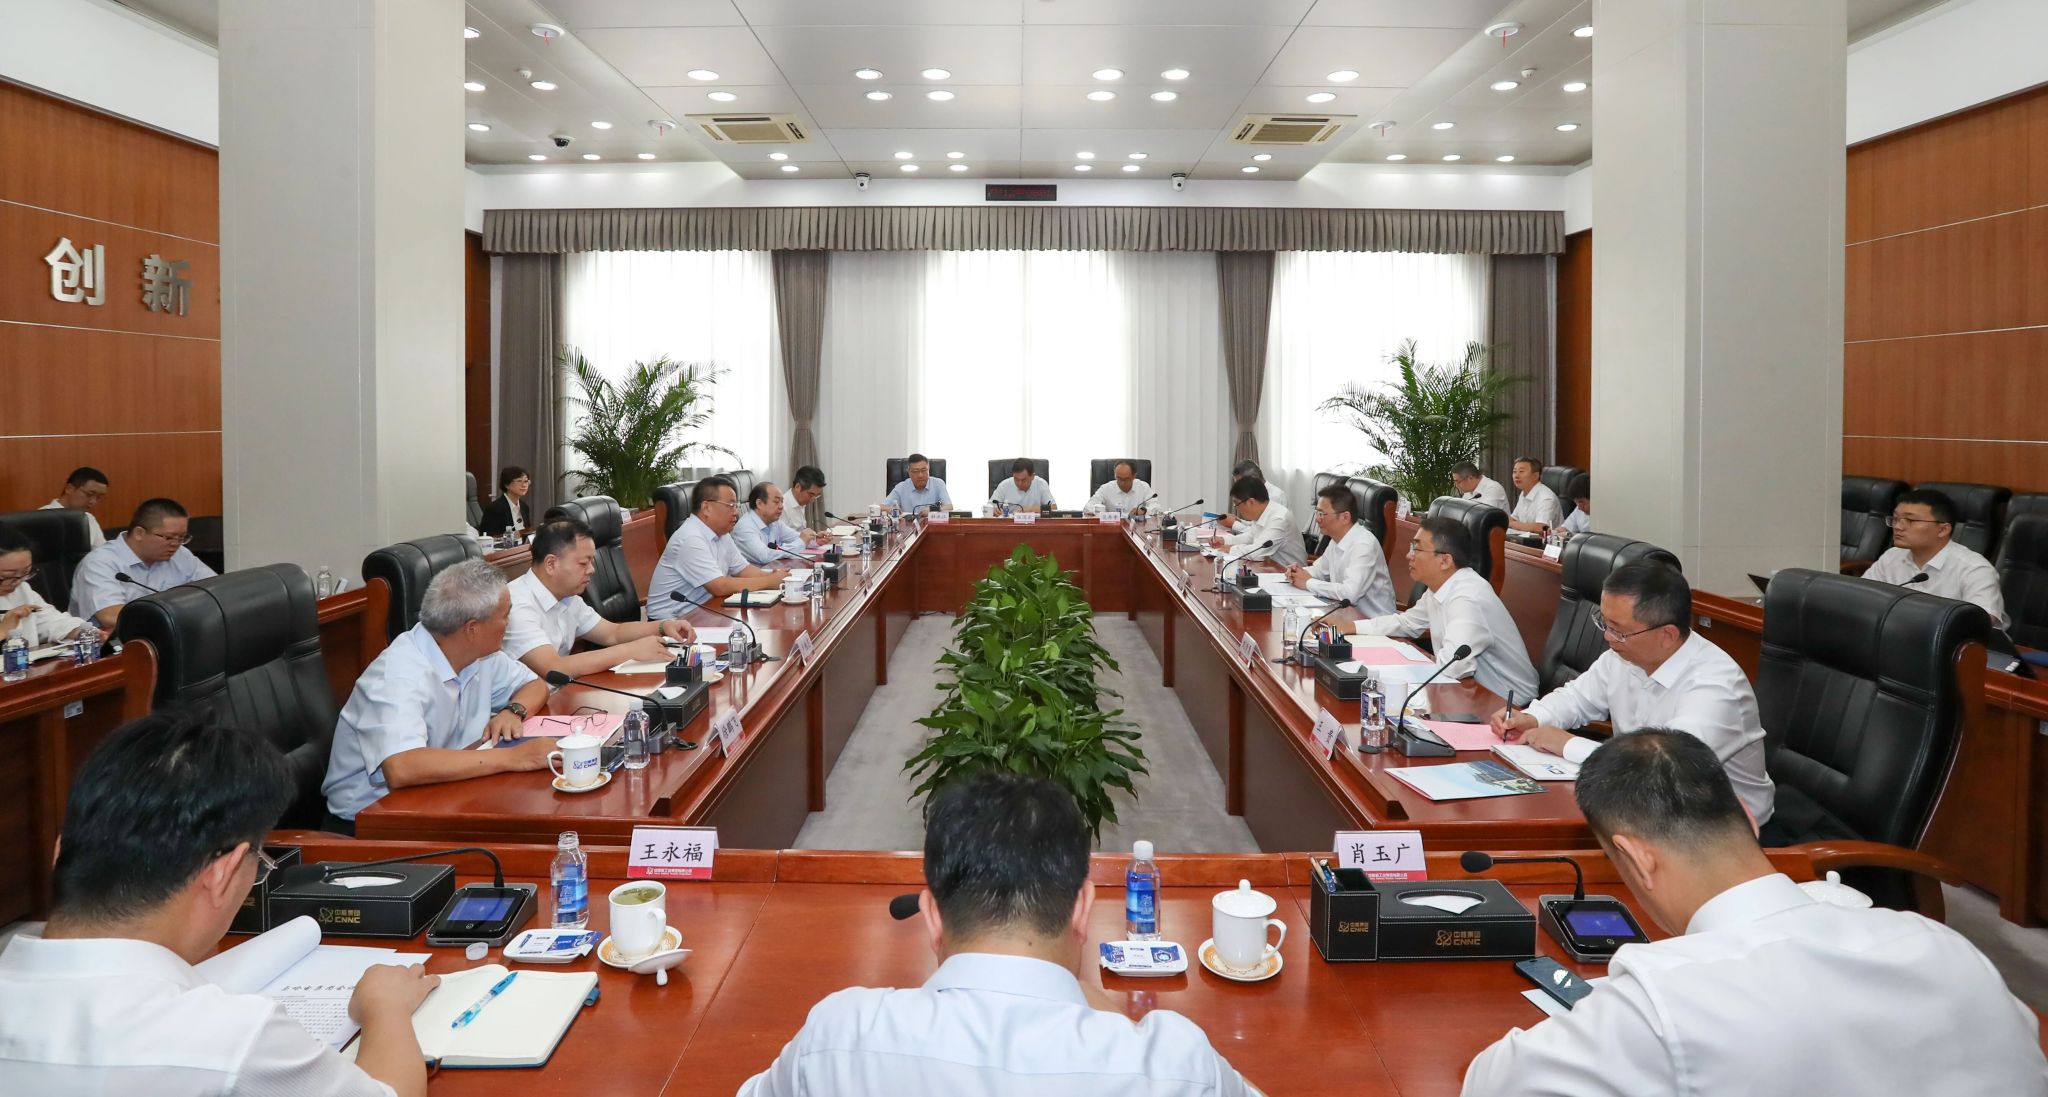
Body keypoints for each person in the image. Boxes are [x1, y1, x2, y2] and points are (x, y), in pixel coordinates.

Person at [1461, 730, 2048, 1097]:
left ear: (1636, 859)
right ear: (1747, 816)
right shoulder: (1946, 947)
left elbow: (1489, 1084)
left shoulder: (1658, 1003)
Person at [738, 772, 1260, 1096]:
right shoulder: (1173, 1068)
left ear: (932, 915)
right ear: (1082, 909)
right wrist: (1111, 1014)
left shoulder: (837, 1039)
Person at [0, 711, 439, 1096]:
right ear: (222, 873)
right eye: (258, 863)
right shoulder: (231, 1037)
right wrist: (384, 1007)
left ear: (60, 852)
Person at [1489, 562, 1775, 827]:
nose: (1607, 637)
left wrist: (1568, 744)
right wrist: (1533, 718)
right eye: (1604, 623)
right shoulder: (1625, 655)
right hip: (1643, 805)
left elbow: (1662, 769)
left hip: (1722, 828)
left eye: (1619, 630)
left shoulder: (1715, 687)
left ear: (1667, 635)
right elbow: (1578, 697)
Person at [322, 560, 553, 832]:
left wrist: (513, 710)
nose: (508, 622)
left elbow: (535, 685)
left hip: (444, 795)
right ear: (473, 628)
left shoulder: (480, 655)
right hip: (370, 823)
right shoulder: (398, 674)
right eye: (505, 615)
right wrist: (514, 758)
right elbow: (402, 767)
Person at [1354, 517, 1537, 701]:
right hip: (1469, 691)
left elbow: (1454, 667)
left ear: (1445, 561)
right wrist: (1353, 627)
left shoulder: (1467, 597)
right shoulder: (1440, 587)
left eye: (1416, 549)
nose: (1409, 555)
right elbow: (1406, 623)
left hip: (1508, 702)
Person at [504, 518, 694, 680]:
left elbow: (612, 633)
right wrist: (631, 651)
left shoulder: (568, 597)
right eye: (583, 563)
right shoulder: (515, 605)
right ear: (551, 564)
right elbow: (554, 667)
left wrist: (662, 626)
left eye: (592, 561)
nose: (591, 570)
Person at [1862, 487, 2007, 628]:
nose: (1898, 526)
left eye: (1910, 520)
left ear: (1943, 530)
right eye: (1896, 518)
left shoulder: (1975, 569)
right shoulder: (1891, 556)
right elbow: (1862, 596)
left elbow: (1981, 623)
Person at [68, 497, 216, 629]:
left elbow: (215, 589)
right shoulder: (100, 563)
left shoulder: (180, 555)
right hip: (110, 646)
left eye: (182, 538)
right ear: (139, 533)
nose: (175, 544)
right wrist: (177, 615)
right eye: (169, 537)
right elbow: (110, 617)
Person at [646, 476, 782, 619]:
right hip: (670, 621)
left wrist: (778, 578)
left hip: (705, 610)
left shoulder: (722, 533)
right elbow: (719, 586)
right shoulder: (690, 538)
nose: (736, 512)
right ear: (706, 508)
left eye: (736, 505)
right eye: (731, 505)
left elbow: (742, 569)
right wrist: (769, 582)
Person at [1283, 484, 1394, 617]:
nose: (1317, 519)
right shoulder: (1336, 540)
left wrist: (1307, 582)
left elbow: (1350, 594)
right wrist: (1297, 573)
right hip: (1345, 616)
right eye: (1317, 512)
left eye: (1322, 514)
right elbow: (1319, 571)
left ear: (1345, 517)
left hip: (1373, 622)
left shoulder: (1364, 545)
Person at [0, 526, 89, 648]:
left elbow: (50, 621)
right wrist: (3, 631)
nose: (17, 582)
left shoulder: (22, 590)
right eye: (7, 576)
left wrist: (80, 632)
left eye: (26, 572)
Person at [1209, 476, 1306, 567]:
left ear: (1251, 502)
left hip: (1287, 572)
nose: (1236, 508)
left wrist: (1230, 549)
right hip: (1269, 568)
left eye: (1236, 504)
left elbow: (1257, 553)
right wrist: (1224, 540)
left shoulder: (1279, 518)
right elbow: (1250, 537)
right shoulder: (1263, 512)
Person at [734, 482, 809, 566]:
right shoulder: (745, 528)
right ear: (759, 504)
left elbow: (797, 537)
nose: (781, 506)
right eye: (776, 502)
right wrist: (802, 542)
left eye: (782, 502)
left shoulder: (774, 522)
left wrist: (815, 540)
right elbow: (764, 556)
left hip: (773, 570)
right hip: (755, 573)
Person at [40, 466, 109, 547]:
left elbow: (102, 550)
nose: (93, 501)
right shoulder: (42, 518)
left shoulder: (89, 518)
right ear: (69, 489)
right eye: (89, 494)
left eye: (99, 497)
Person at [1218, 460, 1285, 530]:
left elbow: (1261, 532)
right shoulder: (1258, 493)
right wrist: (1238, 520)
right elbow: (1255, 524)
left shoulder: (1275, 496)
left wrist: (1233, 524)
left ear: (1253, 479)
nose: (1239, 488)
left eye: (1241, 483)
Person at [1506, 457, 1562, 533]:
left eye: (1521, 471)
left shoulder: (1546, 498)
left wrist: (1511, 523)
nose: (1516, 475)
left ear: (1535, 476)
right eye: (1514, 471)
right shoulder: (1524, 492)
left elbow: (1541, 527)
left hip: (1545, 540)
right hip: (1524, 538)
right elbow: (1514, 518)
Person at [885, 453, 952, 514]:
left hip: (930, 522)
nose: (920, 475)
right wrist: (892, 509)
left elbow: (949, 507)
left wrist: (932, 509)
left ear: (928, 469)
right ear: (909, 472)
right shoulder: (901, 487)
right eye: (915, 471)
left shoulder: (938, 483)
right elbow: (882, 506)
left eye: (924, 470)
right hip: (908, 523)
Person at [477, 466, 531, 537]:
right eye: (519, 481)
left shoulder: (524, 507)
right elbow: (488, 536)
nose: (524, 485)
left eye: (526, 481)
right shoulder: (494, 508)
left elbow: (526, 531)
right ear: (507, 485)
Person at [1086, 461, 1154, 515]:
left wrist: (1143, 511)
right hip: (1112, 526)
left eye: (1126, 479)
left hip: (1137, 525)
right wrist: (1102, 512)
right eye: (1119, 478)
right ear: (1115, 475)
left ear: (1134, 476)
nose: (1122, 483)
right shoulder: (1106, 488)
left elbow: (1156, 507)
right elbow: (1088, 507)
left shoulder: (1143, 487)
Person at [990, 458, 1055, 513]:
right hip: (1011, 523)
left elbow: (1053, 507)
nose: (1019, 483)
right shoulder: (1004, 485)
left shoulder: (1041, 484)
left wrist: (1027, 509)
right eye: (1016, 479)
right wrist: (994, 510)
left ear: (1032, 476)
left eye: (1023, 480)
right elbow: (989, 507)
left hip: (1035, 523)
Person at [783, 465, 828, 543]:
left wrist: (816, 539)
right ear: (797, 487)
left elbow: (800, 537)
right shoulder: (782, 507)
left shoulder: (800, 503)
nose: (813, 499)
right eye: (811, 494)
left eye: (817, 495)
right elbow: (782, 541)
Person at [1560, 472, 1592, 536]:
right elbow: (1565, 528)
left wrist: (1570, 535)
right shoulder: (1578, 509)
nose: (1579, 507)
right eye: (1576, 502)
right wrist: (1555, 532)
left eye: (1581, 502)